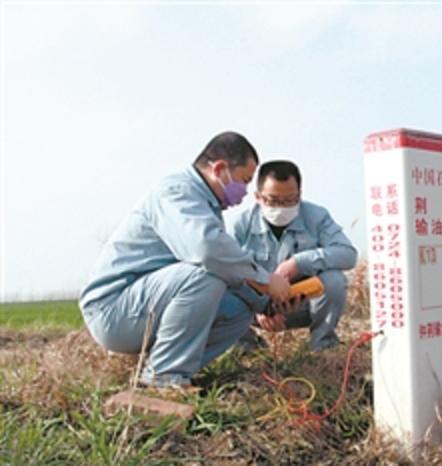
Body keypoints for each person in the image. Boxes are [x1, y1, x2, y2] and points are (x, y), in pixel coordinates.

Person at [79, 131, 290, 388]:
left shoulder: (205, 206)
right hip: (113, 310)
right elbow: (207, 252)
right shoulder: (176, 192)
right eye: (243, 181)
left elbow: (227, 271)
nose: (244, 192)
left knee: (238, 311)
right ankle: (164, 378)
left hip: (145, 305)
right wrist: (265, 279)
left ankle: (169, 367)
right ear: (219, 169)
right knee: (206, 273)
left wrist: (264, 304)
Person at [228, 160, 358, 351]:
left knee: (334, 280)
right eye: (273, 201)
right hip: (254, 310)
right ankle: (247, 349)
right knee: (217, 289)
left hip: (303, 305)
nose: (281, 207)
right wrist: (260, 305)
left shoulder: (317, 216)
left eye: (290, 200)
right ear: (258, 197)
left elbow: (348, 254)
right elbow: (227, 270)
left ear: (299, 195)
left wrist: (299, 262)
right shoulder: (241, 225)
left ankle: (323, 346)